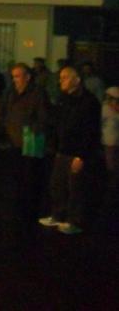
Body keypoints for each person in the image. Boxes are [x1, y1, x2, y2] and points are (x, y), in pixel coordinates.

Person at [0, 63, 49, 234]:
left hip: (30, 141)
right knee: (16, 176)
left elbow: (43, 116)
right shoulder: (10, 93)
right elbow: (2, 113)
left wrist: (33, 129)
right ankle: (19, 207)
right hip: (13, 141)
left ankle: (30, 211)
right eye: (13, 76)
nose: (15, 80)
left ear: (27, 77)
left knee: (30, 177)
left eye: (18, 76)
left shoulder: (37, 93)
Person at [39, 66, 101, 235]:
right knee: (57, 185)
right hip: (62, 150)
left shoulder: (89, 102)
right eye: (60, 77)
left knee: (76, 188)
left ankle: (74, 221)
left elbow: (91, 131)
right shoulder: (63, 98)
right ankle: (57, 215)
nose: (61, 81)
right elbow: (57, 121)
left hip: (77, 152)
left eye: (65, 77)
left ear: (77, 79)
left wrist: (82, 156)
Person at [101, 86, 119, 227]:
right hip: (109, 141)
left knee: (113, 166)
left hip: (112, 141)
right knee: (111, 165)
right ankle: (111, 187)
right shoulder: (106, 109)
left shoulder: (110, 109)